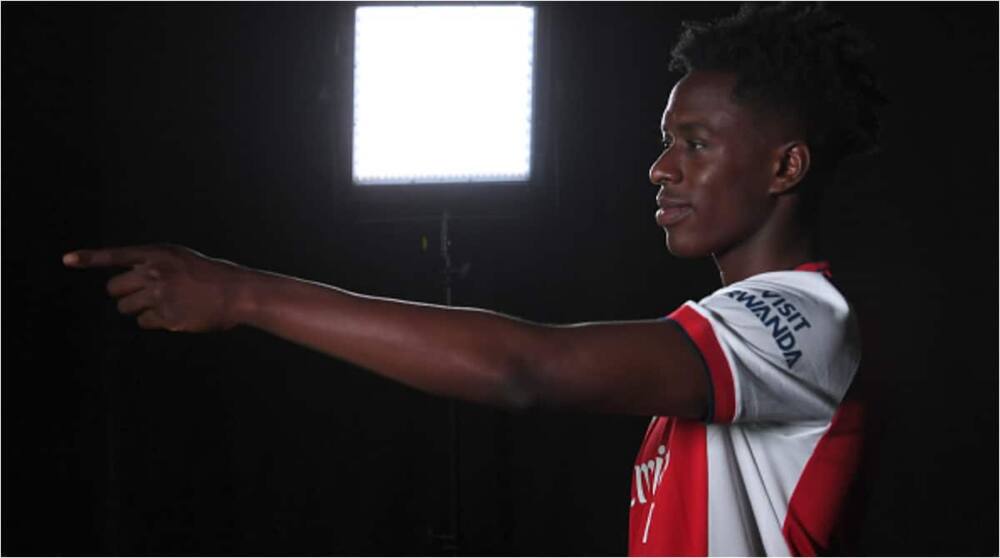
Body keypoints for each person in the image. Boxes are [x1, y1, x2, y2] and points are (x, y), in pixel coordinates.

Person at [63, 3, 885, 555]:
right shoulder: (729, 330)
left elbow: (522, 368)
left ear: (786, 165)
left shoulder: (805, 319)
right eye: (667, 139)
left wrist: (245, 294)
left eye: (696, 143)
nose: (660, 168)